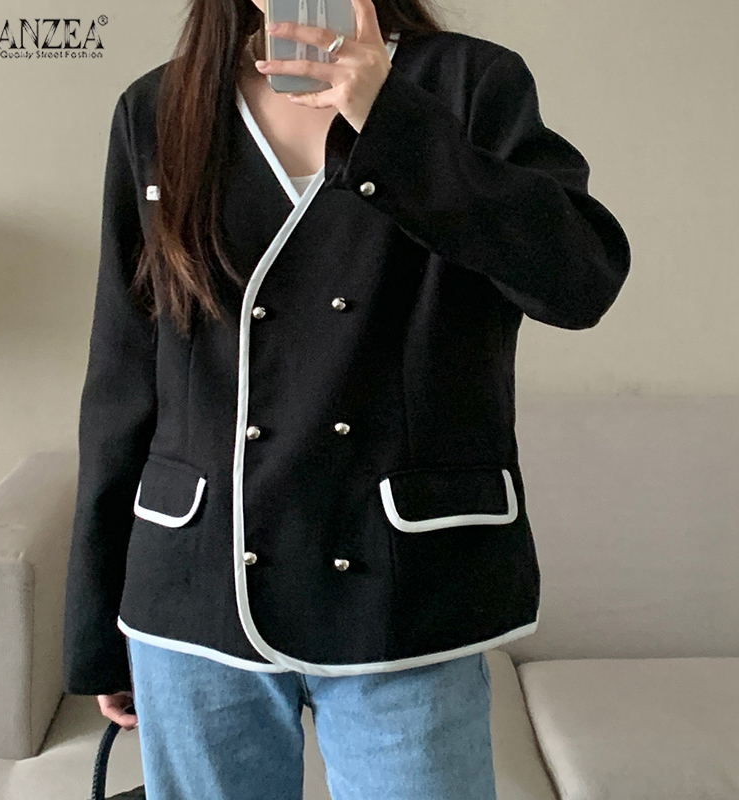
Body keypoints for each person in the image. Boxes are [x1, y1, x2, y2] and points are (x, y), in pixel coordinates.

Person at [62, 0, 631, 796]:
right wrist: (97, 629)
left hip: (401, 594)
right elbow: (123, 377)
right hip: (195, 592)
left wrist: (389, 119)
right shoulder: (159, 108)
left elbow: (580, 281)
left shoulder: (470, 84)